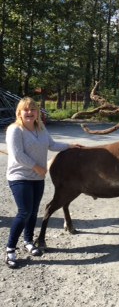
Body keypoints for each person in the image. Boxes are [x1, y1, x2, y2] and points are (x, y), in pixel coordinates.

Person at [5, 97, 81, 268]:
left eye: (33, 109)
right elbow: (17, 155)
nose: (30, 112)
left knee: (33, 212)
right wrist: (37, 167)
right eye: (26, 110)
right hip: (20, 176)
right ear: (19, 112)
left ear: (38, 112)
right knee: (24, 212)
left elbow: (52, 145)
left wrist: (70, 145)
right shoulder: (15, 130)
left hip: (37, 179)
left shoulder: (40, 128)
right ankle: (10, 249)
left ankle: (28, 241)